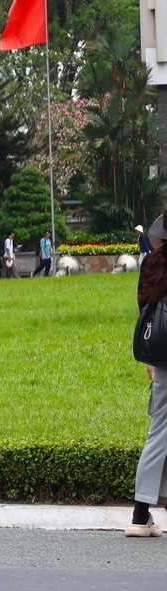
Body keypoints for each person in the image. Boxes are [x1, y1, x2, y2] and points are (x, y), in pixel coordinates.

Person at [128, 223, 167, 536]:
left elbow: (145, 309)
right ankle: (140, 515)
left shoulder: (153, 261)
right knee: (161, 432)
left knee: (161, 430)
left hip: (162, 355)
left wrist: (152, 359)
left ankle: (142, 516)